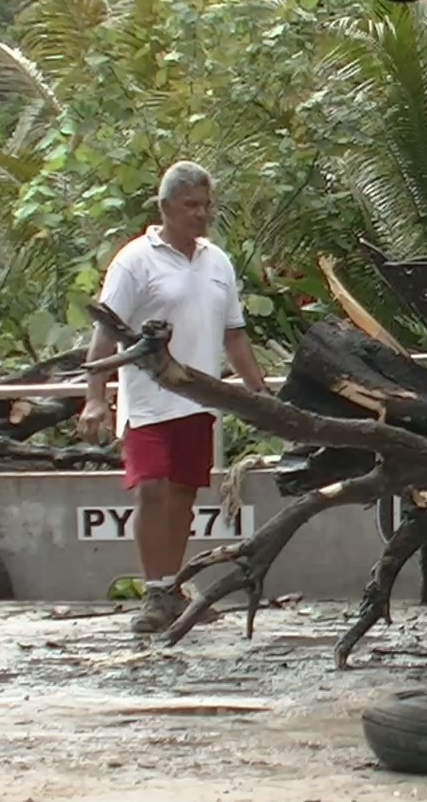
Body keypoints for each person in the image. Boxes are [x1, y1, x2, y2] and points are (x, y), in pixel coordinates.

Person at [78, 161, 270, 634]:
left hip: (198, 400)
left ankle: (172, 586)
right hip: (148, 399)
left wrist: (258, 392)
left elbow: (235, 336)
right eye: (190, 206)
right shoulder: (135, 259)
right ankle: (154, 590)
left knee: (183, 493)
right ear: (165, 207)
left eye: (206, 206)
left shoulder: (217, 261)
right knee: (153, 489)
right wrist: (95, 397)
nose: (200, 214)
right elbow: (105, 334)